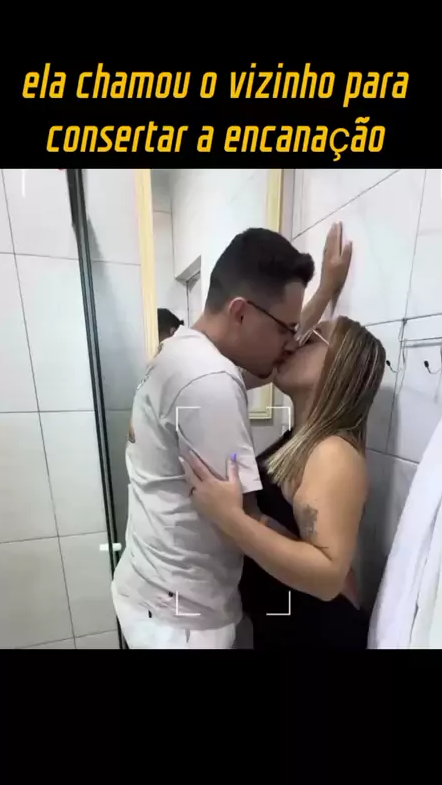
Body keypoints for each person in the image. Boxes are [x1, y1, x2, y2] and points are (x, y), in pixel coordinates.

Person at [112, 223, 350, 649]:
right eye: (285, 330)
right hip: (182, 626)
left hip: (149, 592)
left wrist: (325, 291)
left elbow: (266, 359)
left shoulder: (181, 351)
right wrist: (329, 574)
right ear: (240, 312)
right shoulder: (210, 381)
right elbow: (241, 520)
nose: (291, 344)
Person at [183, 315, 386, 650]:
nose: (291, 345)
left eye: (310, 340)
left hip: (318, 637)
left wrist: (229, 517)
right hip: (290, 627)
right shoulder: (301, 441)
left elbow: (326, 578)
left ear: (340, 366)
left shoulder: (334, 453)